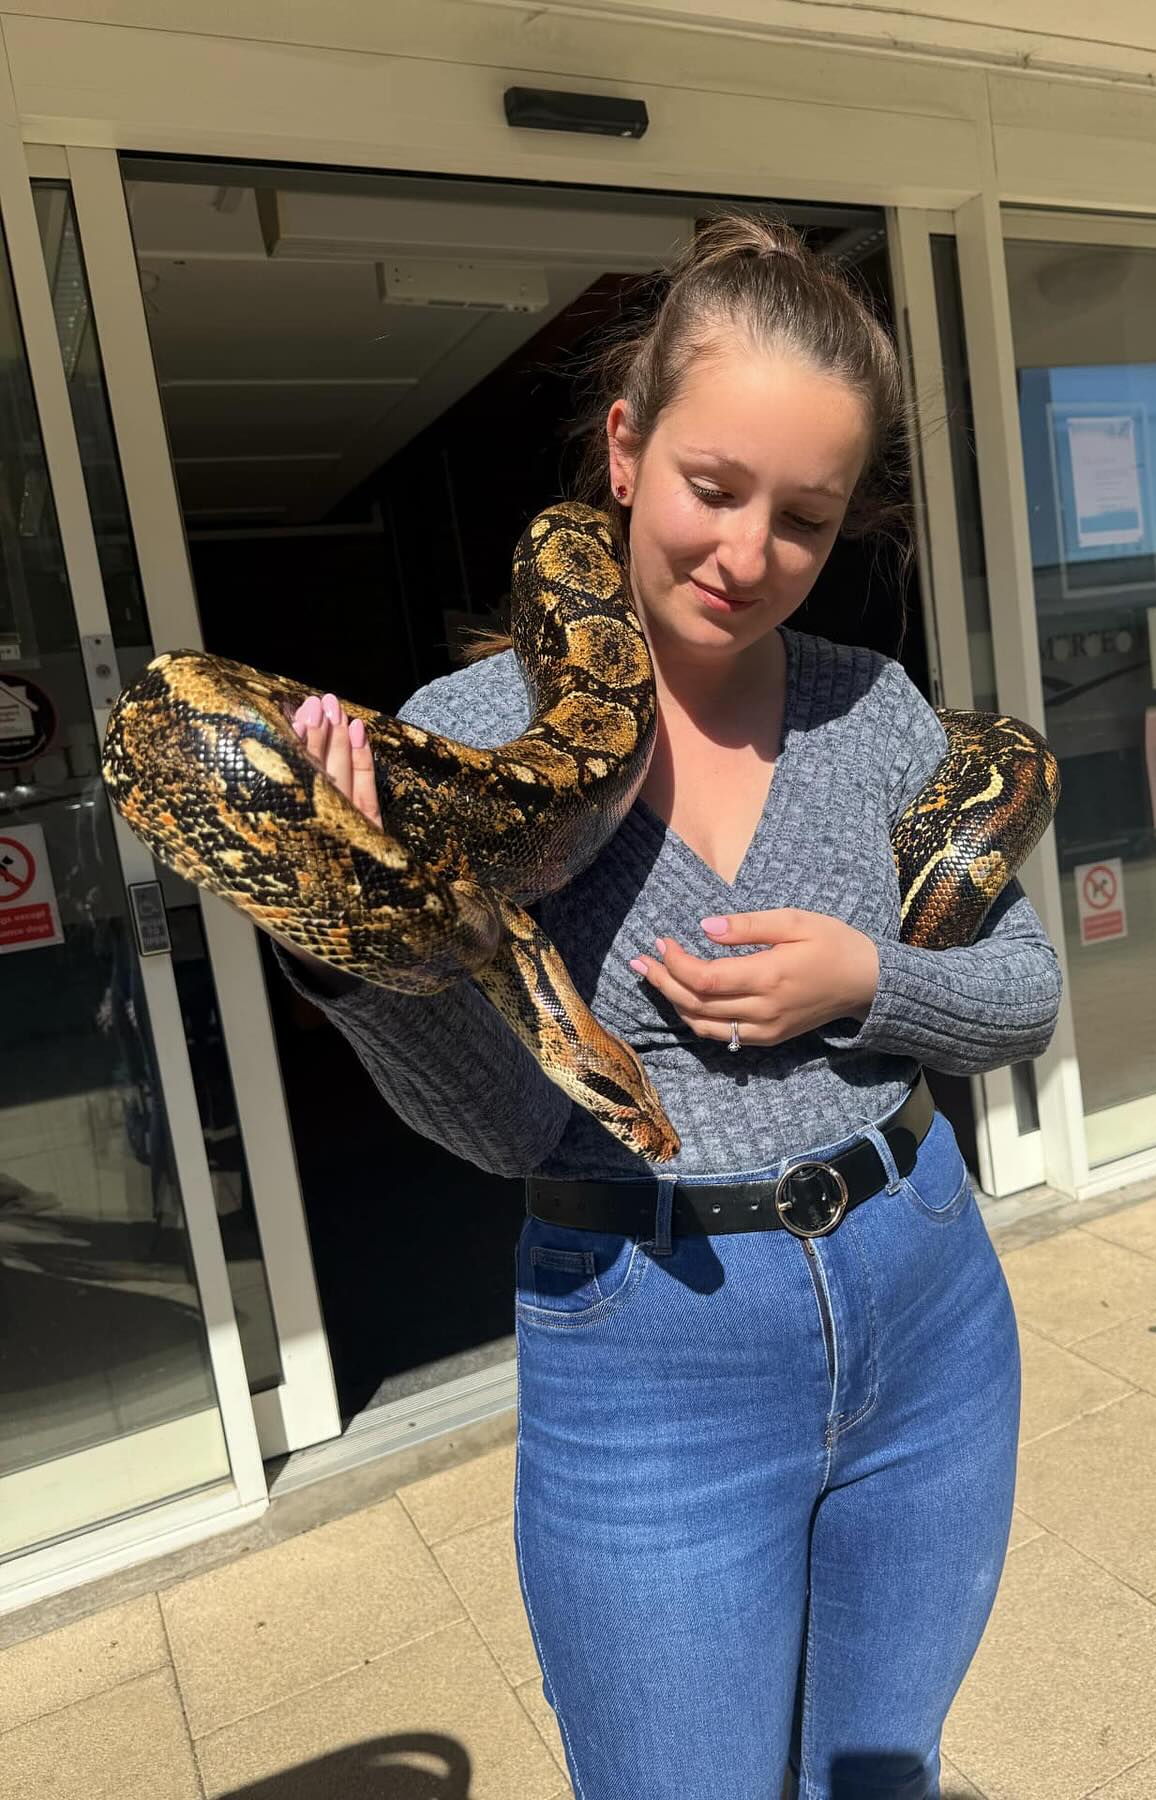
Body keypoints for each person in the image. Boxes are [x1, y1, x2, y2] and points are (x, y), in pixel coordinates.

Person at [279, 214, 1062, 1800]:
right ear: (626, 451)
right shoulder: (473, 743)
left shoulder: (870, 709)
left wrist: (869, 979)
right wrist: (356, 928)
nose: (746, 555)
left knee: (882, 1773)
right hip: (652, 1343)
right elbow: (505, 1124)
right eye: (715, 488)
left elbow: (1023, 990)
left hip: (928, 1291)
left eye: (806, 519)